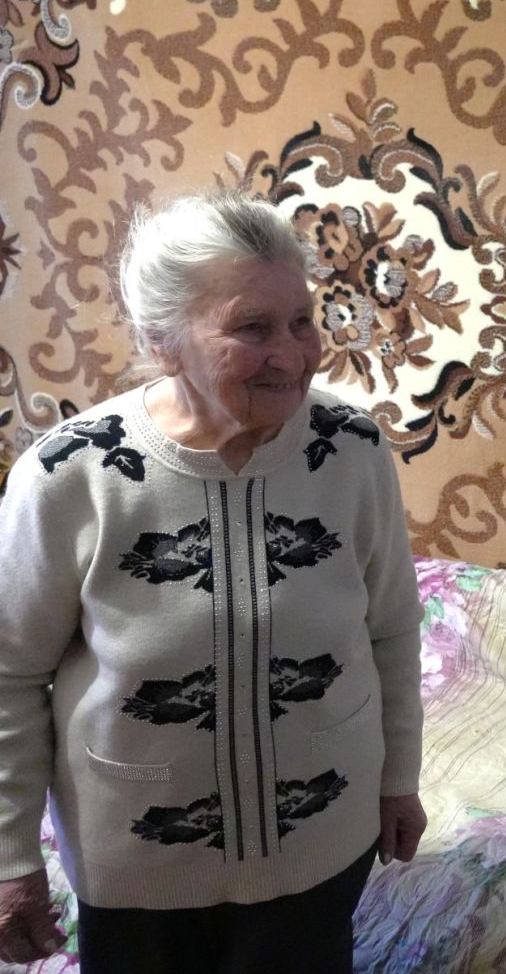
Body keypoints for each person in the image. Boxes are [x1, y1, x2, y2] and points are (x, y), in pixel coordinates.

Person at [0, 190, 428, 972]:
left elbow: (393, 627)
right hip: (136, 861)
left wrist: (398, 779)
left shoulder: (351, 450)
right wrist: (9, 855)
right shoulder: (70, 474)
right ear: (162, 342)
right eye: (252, 328)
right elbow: (9, 673)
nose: (293, 355)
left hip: (320, 842)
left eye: (302, 320)